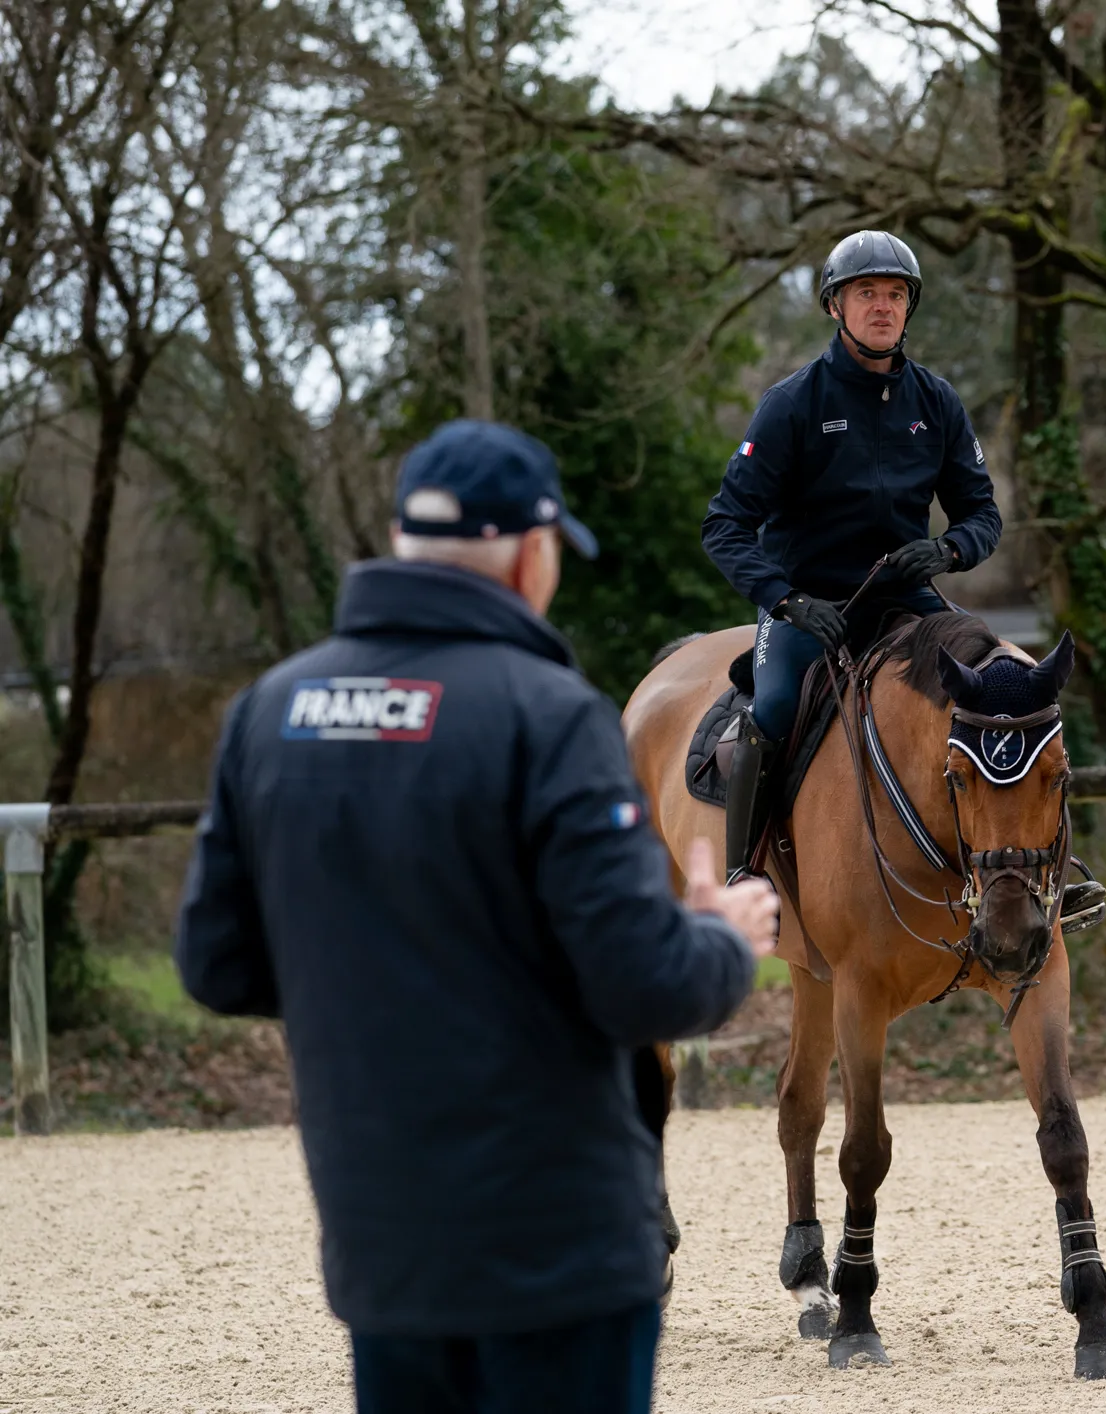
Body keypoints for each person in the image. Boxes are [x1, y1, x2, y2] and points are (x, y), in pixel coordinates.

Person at [175, 420, 780, 1414]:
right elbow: (645, 983)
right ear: (532, 551)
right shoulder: (547, 714)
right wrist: (719, 939)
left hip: (382, 1248)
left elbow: (215, 963)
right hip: (560, 1250)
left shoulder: (270, 711)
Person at [699, 229, 1001, 872]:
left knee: (998, 683)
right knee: (775, 706)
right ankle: (743, 871)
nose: (883, 307)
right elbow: (724, 526)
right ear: (836, 306)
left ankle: (1031, 872)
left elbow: (982, 513)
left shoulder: (937, 402)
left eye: (895, 294)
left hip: (905, 596)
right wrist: (786, 599)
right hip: (808, 603)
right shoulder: (791, 405)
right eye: (866, 293)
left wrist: (948, 551)